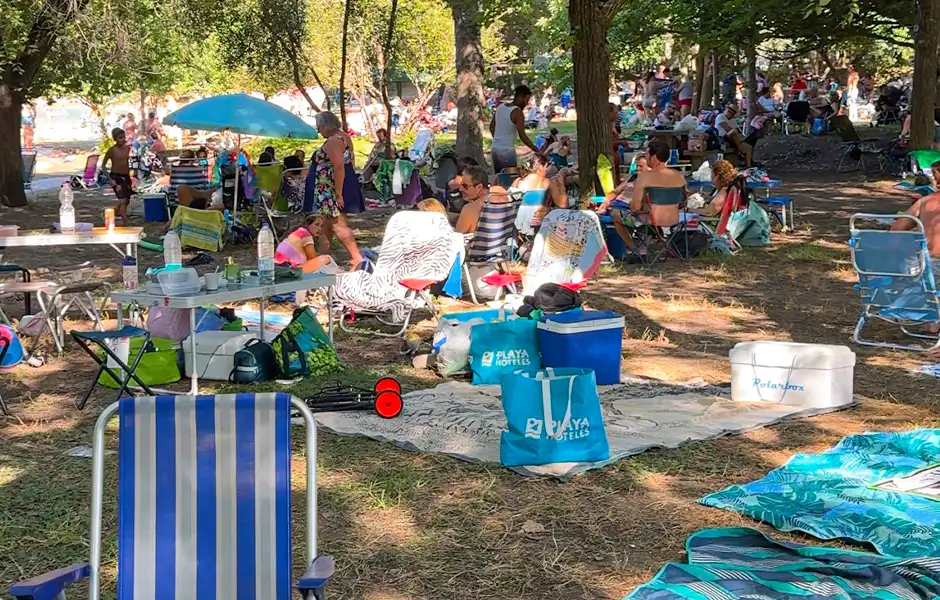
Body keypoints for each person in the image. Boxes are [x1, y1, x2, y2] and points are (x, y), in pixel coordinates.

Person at [309, 111, 363, 269]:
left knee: (338, 224)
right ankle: (321, 257)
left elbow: (339, 167)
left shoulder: (333, 141)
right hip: (329, 188)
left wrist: (338, 193)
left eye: (319, 127)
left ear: (326, 125)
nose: (318, 130)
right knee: (326, 225)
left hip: (329, 190)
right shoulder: (343, 137)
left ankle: (357, 257)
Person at [631, 140, 686, 227]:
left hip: (651, 222)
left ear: (654, 157)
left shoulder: (644, 177)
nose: (646, 157)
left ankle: (630, 241)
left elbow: (635, 207)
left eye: (647, 155)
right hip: (674, 221)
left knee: (617, 215)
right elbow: (683, 203)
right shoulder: (679, 175)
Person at [490, 85, 542, 172]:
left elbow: (491, 127)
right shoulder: (517, 112)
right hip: (507, 151)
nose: (526, 104)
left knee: (499, 176)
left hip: (495, 148)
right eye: (527, 100)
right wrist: (536, 150)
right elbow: (523, 136)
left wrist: (499, 140)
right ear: (524, 97)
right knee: (509, 178)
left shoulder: (500, 107)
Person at [455, 166, 508, 234]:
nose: (460, 189)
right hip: (504, 242)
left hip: (480, 244)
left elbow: (457, 240)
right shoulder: (501, 192)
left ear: (479, 187)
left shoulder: (469, 209)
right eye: (461, 185)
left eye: (465, 186)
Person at [101, 128, 134, 226]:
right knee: (123, 201)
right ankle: (126, 224)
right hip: (116, 177)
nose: (123, 139)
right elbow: (103, 165)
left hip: (126, 177)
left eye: (124, 137)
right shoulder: (112, 150)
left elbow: (128, 163)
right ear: (115, 139)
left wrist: (132, 176)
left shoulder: (128, 149)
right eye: (120, 138)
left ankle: (111, 213)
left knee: (127, 200)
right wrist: (110, 179)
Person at [714, 103, 753, 168]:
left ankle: (748, 165)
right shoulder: (720, 116)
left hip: (733, 138)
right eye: (729, 111)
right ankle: (740, 147)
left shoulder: (733, 120)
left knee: (749, 147)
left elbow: (736, 130)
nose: (730, 113)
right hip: (722, 137)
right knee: (733, 132)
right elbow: (728, 129)